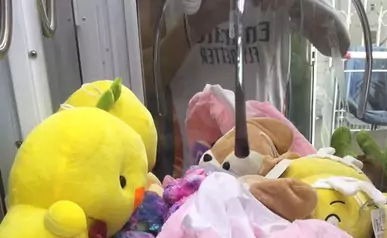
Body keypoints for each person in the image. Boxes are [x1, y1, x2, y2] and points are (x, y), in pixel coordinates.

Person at [139, 0, 350, 174]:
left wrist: (296, 4)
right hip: (194, 168)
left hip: (268, 162)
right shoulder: (165, 6)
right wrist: (193, 27)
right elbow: (141, 77)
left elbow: (339, 44)